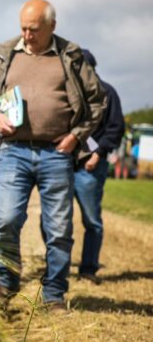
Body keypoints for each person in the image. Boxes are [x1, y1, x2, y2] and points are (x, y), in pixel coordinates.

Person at [0, 0, 106, 311]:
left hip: (56, 155)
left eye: (34, 29)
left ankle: (54, 293)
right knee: (4, 220)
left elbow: (97, 101)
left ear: (52, 27)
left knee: (59, 228)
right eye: (23, 28)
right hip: (12, 152)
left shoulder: (70, 56)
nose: (27, 35)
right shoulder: (4, 53)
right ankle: (6, 280)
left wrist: (76, 135)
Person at [73, 49, 125, 284]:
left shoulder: (108, 93)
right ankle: (57, 267)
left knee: (91, 220)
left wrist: (99, 152)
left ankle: (88, 269)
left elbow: (116, 128)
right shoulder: (69, 94)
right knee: (53, 219)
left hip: (91, 167)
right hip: (65, 165)